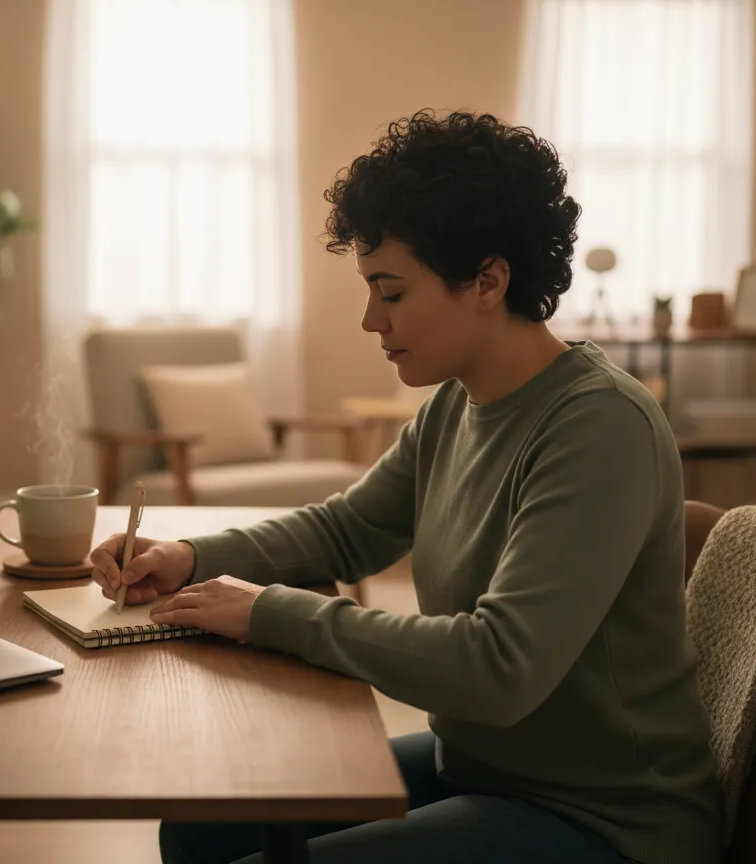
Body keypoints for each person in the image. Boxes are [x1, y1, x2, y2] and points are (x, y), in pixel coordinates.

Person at [89, 110, 723, 864]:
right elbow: (346, 530)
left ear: (488, 281)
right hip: (485, 768)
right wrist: (189, 557)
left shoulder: (600, 427)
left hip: (609, 822)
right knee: (198, 826)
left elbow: (497, 668)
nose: (369, 320)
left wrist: (269, 613)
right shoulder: (457, 403)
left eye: (390, 293)